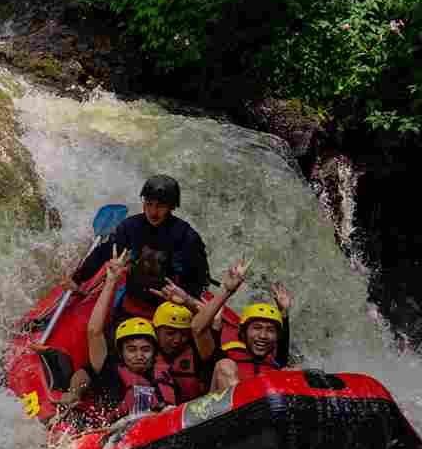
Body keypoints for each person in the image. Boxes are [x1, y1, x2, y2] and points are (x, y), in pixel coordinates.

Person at [69, 174, 211, 322]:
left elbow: (201, 280)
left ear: (172, 207)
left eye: (160, 206)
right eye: (149, 204)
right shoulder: (131, 226)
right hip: (132, 302)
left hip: (170, 309)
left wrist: (188, 300)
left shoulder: (187, 237)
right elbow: (104, 252)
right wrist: (78, 278)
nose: (153, 212)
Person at [66, 246, 180, 428]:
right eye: (131, 350)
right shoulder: (110, 370)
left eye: (146, 349)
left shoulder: (162, 368)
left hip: (162, 425)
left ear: (154, 352)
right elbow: (94, 331)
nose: (139, 355)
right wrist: (111, 281)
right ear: (121, 352)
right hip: (115, 432)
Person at [191, 259, 293, 393]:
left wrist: (284, 314)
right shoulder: (221, 356)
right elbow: (197, 328)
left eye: (270, 330)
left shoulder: (276, 363)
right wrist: (227, 291)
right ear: (243, 332)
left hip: (265, 405)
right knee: (225, 366)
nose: (263, 336)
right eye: (257, 328)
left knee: (290, 372)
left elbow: (283, 349)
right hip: (228, 404)